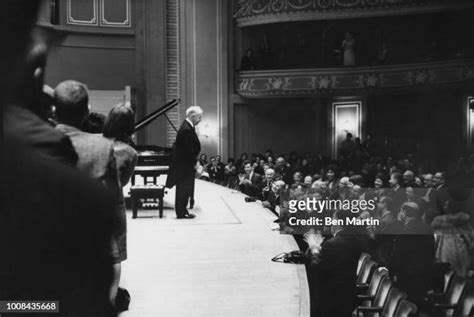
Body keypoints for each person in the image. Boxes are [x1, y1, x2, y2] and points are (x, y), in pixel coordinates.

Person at [54, 80, 124, 307]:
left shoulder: (35, 141)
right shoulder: (102, 147)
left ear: (55, 110)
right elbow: (114, 199)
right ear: (87, 110)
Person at [305, 210, 363, 317]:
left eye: (333, 219)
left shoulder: (332, 244)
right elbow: (335, 261)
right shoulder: (354, 240)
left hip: (331, 298)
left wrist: (314, 249)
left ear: (339, 222)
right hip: (347, 296)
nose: (331, 222)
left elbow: (316, 267)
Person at [389, 202, 435, 307]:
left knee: (406, 307)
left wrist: (392, 272)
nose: (400, 213)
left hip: (407, 276)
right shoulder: (427, 228)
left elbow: (398, 255)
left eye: (400, 211)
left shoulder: (404, 231)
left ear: (404, 212)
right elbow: (431, 252)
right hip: (424, 274)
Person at [165, 106, 203, 219]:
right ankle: (181, 212)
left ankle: (183, 211)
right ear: (193, 116)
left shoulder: (187, 127)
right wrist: (196, 163)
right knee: (183, 189)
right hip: (185, 166)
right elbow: (188, 151)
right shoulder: (186, 129)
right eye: (199, 117)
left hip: (185, 165)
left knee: (185, 189)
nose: (200, 120)